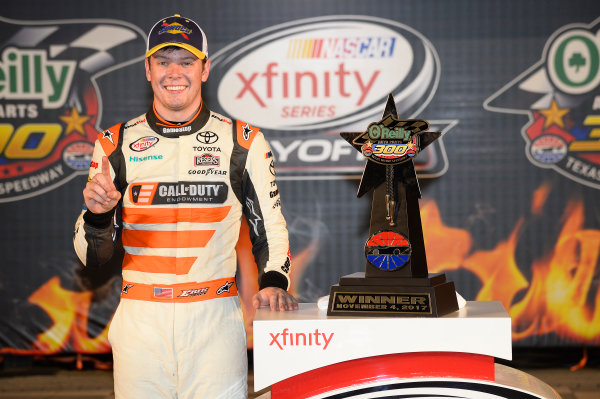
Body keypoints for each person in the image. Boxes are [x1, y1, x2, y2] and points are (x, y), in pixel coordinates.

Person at [73, 13, 298, 399]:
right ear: (147, 69)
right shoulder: (113, 143)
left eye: (186, 61)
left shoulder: (243, 142)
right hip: (141, 319)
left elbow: (270, 227)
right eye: (163, 61)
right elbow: (90, 258)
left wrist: (274, 281)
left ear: (205, 68)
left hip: (215, 319)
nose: (173, 73)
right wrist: (97, 216)